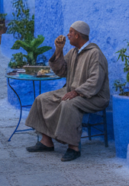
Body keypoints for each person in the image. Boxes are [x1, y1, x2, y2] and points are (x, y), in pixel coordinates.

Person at [25, 21, 110, 162]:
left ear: (77, 35)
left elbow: (96, 81)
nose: (68, 35)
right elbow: (61, 71)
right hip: (72, 90)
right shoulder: (73, 52)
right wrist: (59, 50)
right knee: (42, 99)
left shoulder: (95, 54)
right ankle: (46, 141)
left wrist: (76, 92)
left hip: (94, 96)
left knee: (69, 104)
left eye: (70, 32)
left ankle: (73, 147)